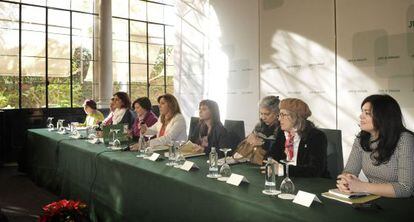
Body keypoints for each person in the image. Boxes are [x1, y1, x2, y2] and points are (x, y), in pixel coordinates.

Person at [337, 94, 414, 198]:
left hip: (402, 204)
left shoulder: (405, 139)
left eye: (367, 113)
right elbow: (350, 171)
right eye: (362, 111)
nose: (361, 116)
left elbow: (405, 188)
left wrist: (362, 186)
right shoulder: (361, 138)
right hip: (373, 199)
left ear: (383, 116)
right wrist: (345, 182)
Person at [268, 98, 329, 177]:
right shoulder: (282, 134)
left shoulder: (316, 136)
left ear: (296, 117)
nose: (279, 119)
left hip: (312, 183)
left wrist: (282, 169)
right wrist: (271, 163)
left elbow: (315, 170)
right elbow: (271, 156)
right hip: (288, 179)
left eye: (283, 115)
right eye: (279, 115)